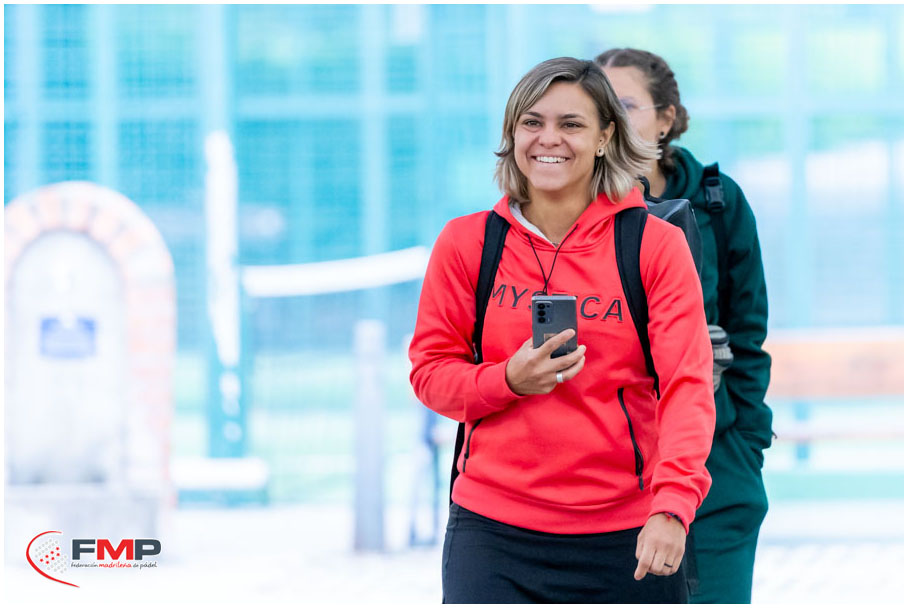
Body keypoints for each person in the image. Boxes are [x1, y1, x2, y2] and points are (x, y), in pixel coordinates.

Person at [408, 57, 715, 604]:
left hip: (628, 533)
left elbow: (687, 387)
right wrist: (507, 380)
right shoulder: (466, 243)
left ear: (604, 137)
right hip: (492, 531)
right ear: (512, 134)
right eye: (532, 122)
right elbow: (430, 375)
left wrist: (672, 507)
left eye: (571, 123)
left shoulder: (654, 245)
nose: (548, 138)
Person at [596, 48, 773, 604]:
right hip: (609, 468)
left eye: (625, 105)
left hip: (717, 463)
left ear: (666, 118)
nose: (610, 118)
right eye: (598, 106)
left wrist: (746, 443)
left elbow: (748, 333)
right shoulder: (572, 205)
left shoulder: (719, 202)